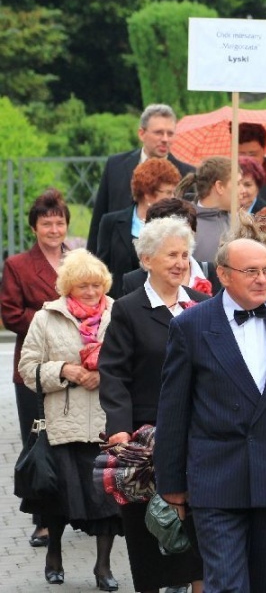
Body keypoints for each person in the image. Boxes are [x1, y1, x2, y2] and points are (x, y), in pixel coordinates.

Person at [154, 238, 266, 593]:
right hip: (216, 477)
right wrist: (171, 483)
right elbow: (174, 410)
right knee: (225, 582)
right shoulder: (191, 325)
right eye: (251, 271)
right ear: (223, 274)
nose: (263, 279)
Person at [98, 217, 208, 593]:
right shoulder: (129, 309)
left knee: (195, 530)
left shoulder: (202, 306)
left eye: (185, 255)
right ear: (146, 259)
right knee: (147, 527)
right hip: (146, 442)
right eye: (171, 255)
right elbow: (113, 373)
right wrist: (119, 428)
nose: (180, 262)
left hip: (199, 436)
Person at [18, 248, 122, 590]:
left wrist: (103, 373)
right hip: (63, 426)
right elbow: (26, 368)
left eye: (96, 285)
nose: (91, 292)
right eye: (82, 286)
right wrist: (65, 371)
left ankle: (103, 568)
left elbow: (132, 364)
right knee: (58, 500)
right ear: (68, 287)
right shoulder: (47, 318)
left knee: (107, 502)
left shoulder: (118, 313)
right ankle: (55, 556)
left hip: (107, 423)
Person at [0, 189, 70, 548]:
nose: (54, 229)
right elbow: (11, 314)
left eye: (59, 222)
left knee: (72, 440)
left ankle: (75, 511)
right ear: (34, 227)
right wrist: (50, 319)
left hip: (75, 366)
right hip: (34, 366)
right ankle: (42, 520)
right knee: (38, 441)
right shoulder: (18, 265)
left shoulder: (80, 259)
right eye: (47, 223)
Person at [88, 104, 194, 253]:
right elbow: (99, 217)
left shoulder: (187, 174)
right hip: (118, 258)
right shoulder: (115, 166)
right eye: (158, 133)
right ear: (141, 133)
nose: (165, 139)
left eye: (170, 134)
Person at [96, 157, 180, 298]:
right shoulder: (111, 222)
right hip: (118, 304)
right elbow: (102, 268)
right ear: (148, 194)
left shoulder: (174, 227)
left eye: (173, 192)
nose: (173, 198)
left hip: (159, 303)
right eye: (168, 193)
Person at [120, 198, 221, 297]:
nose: (179, 239)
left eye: (185, 233)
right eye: (170, 233)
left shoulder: (210, 272)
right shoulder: (133, 281)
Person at [175, 156, 233, 264]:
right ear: (219, 186)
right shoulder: (184, 226)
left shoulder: (240, 222)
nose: (242, 191)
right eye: (237, 184)